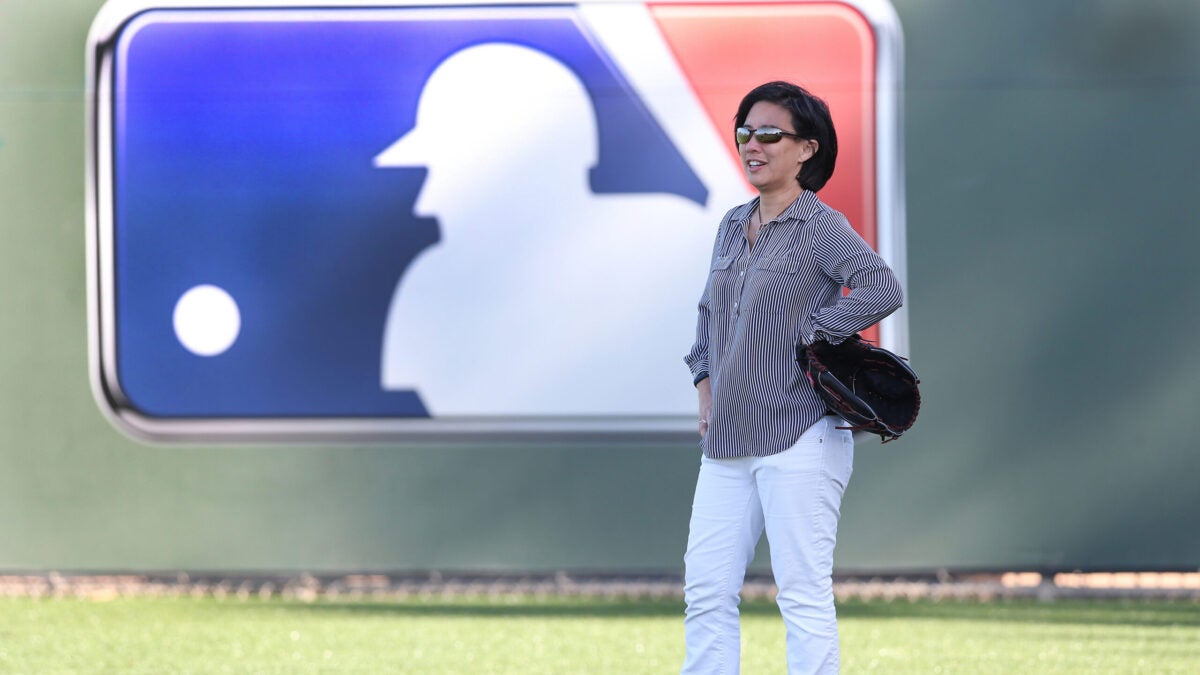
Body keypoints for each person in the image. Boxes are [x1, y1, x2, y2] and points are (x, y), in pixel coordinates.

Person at [373, 42, 744, 416]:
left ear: (517, 172)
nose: (426, 202)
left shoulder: (680, 248)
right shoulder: (432, 282)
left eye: (444, 174)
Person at [682, 81, 904, 674]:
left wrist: (816, 325)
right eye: (745, 133)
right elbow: (710, 309)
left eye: (770, 135)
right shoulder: (733, 224)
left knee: (801, 594)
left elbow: (884, 287)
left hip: (801, 432)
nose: (752, 144)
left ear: (806, 148)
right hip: (728, 435)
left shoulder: (820, 226)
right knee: (706, 592)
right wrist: (703, 378)